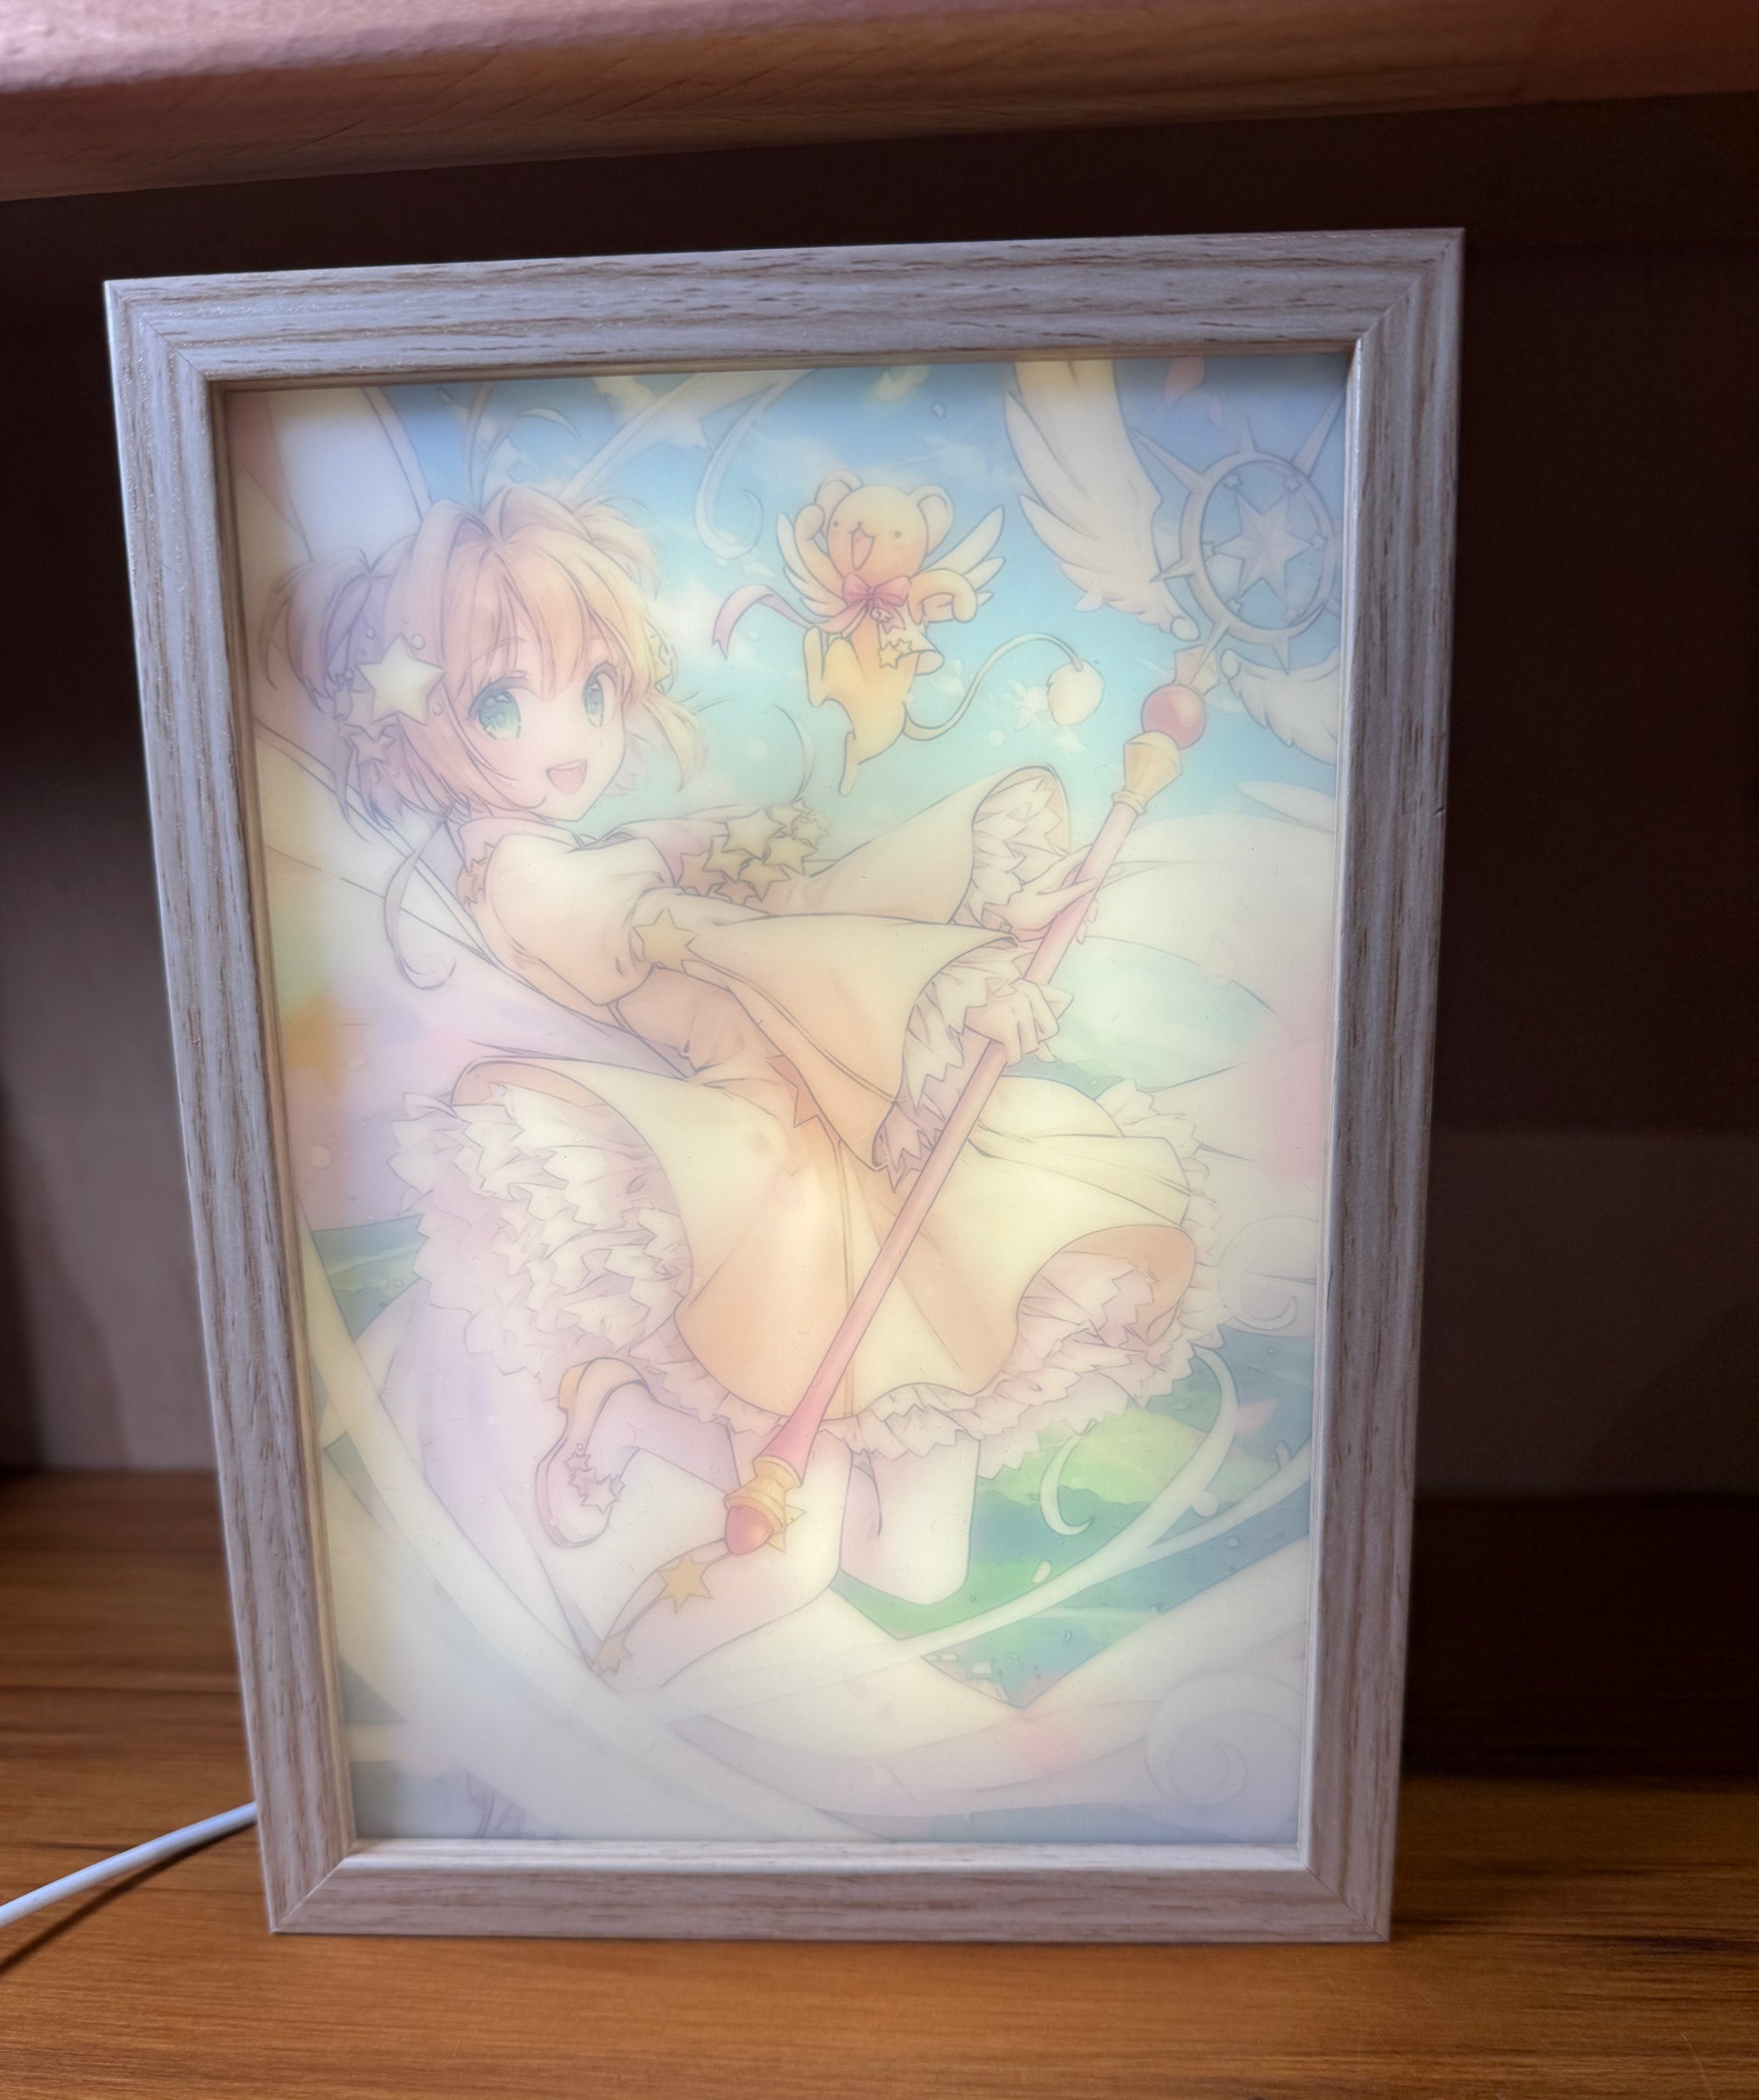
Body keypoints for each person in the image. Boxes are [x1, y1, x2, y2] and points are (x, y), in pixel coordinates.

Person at [276, 485, 1215, 1690]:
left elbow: (792, 911)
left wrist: (982, 917)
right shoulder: (524, 876)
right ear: (413, 728)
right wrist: (943, 987)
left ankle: (626, 1418)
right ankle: (610, 1718)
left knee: (918, 1561)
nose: (571, 737)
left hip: (833, 1122)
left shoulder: (608, 850)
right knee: (785, 1558)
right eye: (502, 701)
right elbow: (730, 943)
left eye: (595, 690)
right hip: (767, 1173)